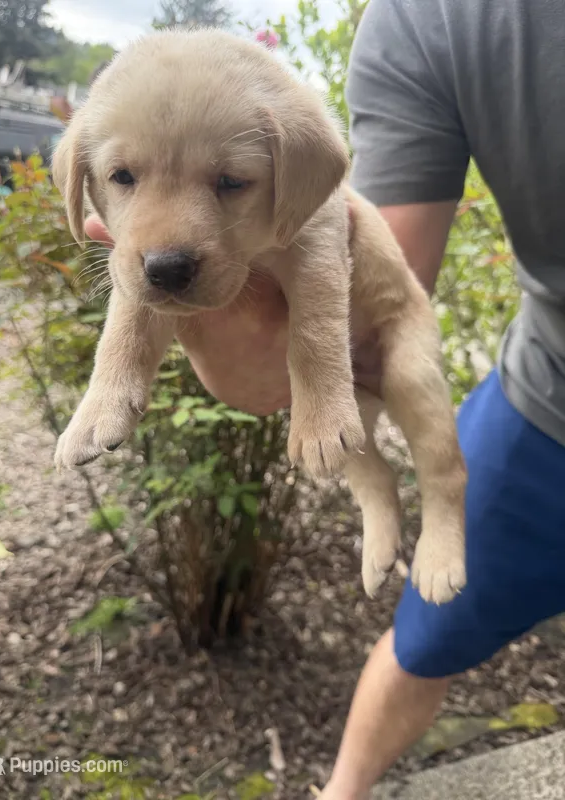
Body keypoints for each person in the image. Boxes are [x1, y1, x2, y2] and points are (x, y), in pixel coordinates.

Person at [83, 0, 565, 796]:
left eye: (230, 181)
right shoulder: (433, 20)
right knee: (414, 612)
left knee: (414, 401)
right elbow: (331, 298)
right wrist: (265, 368)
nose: (164, 225)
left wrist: (318, 376)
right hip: (549, 397)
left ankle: (438, 510)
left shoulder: (305, 167)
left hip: (410, 328)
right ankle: (343, 787)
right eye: (122, 177)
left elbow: (335, 270)